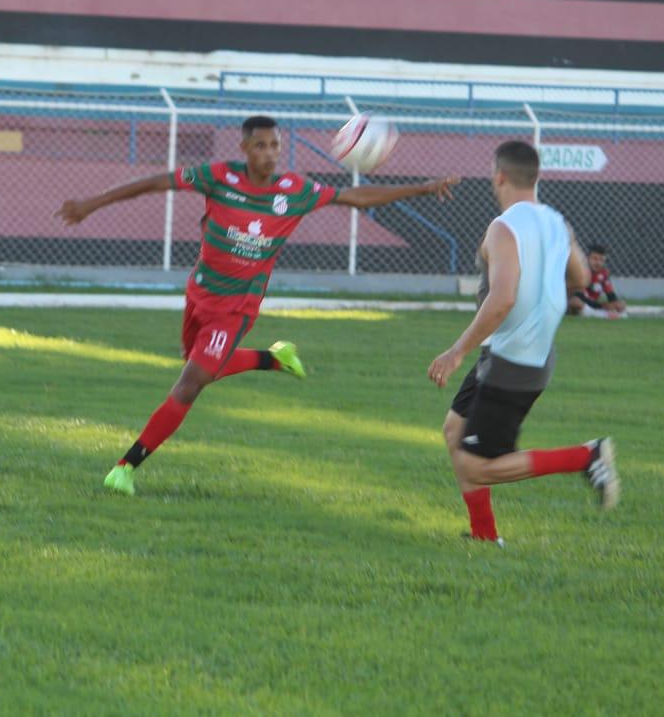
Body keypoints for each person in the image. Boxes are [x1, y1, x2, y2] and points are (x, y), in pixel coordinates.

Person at [57, 115, 459, 496]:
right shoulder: (218, 176)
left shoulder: (294, 190)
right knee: (199, 368)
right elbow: (154, 183)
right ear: (245, 148)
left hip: (236, 309)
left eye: (275, 145)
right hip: (199, 293)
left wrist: (422, 188)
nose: (270, 152)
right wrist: (92, 203)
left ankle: (125, 467)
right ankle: (274, 359)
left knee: (190, 383)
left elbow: (354, 198)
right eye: (261, 145)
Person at [428, 140, 620, 546]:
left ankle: (586, 457)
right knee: (454, 431)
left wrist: (455, 350)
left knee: (476, 465)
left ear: (498, 176)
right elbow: (582, 279)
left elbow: (502, 299)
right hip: (509, 353)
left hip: (513, 361)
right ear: (537, 176)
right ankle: (484, 536)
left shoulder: (503, 228)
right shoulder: (556, 221)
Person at [567, 243, 626, 318]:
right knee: (575, 302)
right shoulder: (580, 272)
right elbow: (578, 295)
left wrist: (615, 304)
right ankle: (601, 315)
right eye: (594, 258)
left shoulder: (603, 275)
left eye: (601, 260)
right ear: (587, 258)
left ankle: (598, 314)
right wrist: (602, 306)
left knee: (621, 304)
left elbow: (611, 296)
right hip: (576, 303)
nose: (598, 263)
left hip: (592, 306)